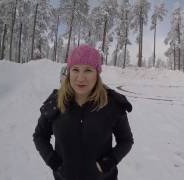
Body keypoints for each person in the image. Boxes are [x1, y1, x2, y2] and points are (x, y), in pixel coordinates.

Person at [33, 45, 134, 180]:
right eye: (75, 70)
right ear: (69, 72)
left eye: (88, 70)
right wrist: (52, 160)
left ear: (97, 73)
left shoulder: (112, 104)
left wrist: (108, 162)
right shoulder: (56, 102)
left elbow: (126, 140)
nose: (80, 78)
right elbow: (40, 136)